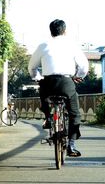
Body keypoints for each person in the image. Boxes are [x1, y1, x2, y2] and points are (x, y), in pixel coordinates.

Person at [28, 19, 89, 157]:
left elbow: (32, 67)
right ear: (65, 30)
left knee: (43, 95)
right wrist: (77, 77)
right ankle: (71, 146)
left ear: (51, 31)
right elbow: (84, 67)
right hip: (66, 82)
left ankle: (48, 118)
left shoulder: (43, 45)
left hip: (48, 83)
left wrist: (37, 78)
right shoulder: (72, 45)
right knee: (74, 114)